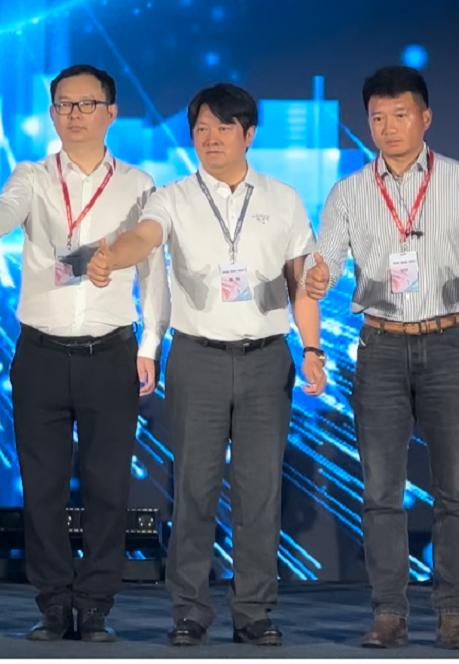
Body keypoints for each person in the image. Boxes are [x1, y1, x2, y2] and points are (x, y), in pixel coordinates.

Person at [88, 83, 326, 648]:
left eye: (223, 127)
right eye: (201, 129)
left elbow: (301, 282)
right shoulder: (172, 196)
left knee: (259, 491)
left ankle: (254, 611)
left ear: (249, 134)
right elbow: (144, 238)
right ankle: (190, 610)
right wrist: (112, 256)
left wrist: (312, 349)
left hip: (267, 359)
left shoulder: (284, 199)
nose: (210, 138)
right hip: (197, 357)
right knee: (194, 487)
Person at [0, 64, 171, 642]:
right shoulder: (31, 175)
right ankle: (54, 602)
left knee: (108, 486)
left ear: (111, 112)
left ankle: (97, 604)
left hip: (111, 353)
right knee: (43, 486)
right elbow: (6, 208)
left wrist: (150, 344)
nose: (75, 113)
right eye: (64, 104)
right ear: (53, 113)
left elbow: (153, 271)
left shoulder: (138, 183)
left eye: (87, 103)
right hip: (41, 354)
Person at [304, 66, 459, 650]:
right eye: (377, 118)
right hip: (381, 346)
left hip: (447, 345)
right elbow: (327, 261)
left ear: (425, 117)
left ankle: (453, 614)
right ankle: (389, 613)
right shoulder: (349, 191)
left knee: (456, 491)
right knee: (381, 491)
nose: (388, 127)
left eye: (400, 115)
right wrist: (318, 277)